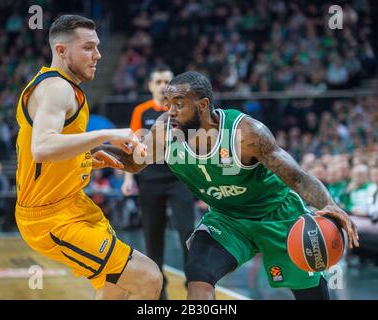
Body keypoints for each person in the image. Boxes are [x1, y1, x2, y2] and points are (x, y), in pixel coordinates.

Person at [104, 71, 359, 300]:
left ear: (203, 105)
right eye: (169, 104)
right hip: (227, 219)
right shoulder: (166, 131)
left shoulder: (246, 133)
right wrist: (88, 150)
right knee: (198, 272)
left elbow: (298, 178)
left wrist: (330, 205)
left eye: (178, 105)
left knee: (311, 295)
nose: (170, 111)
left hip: (278, 216)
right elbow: (136, 162)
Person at [14, 14, 162, 300]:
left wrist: (86, 159)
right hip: (51, 218)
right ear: (61, 51)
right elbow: (42, 147)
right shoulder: (56, 88)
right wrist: (106, 134)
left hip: (72, 205)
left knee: (115, 286)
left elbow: (46, 154)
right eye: (88, 47)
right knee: (148, 278)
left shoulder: (61, 87)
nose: (98, 54)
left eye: (97, 46)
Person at [121, 66, 195, 299]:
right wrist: (128, 178)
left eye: (167, 81)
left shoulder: (181, 110)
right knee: (153, 236)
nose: (163, 85)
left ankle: (193, 284)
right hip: (150, 179)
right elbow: (131, 147)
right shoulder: (141, 111)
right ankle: (159, 290)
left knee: (188, 231)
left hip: (179, 178)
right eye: (159, 81)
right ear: (151, 86)